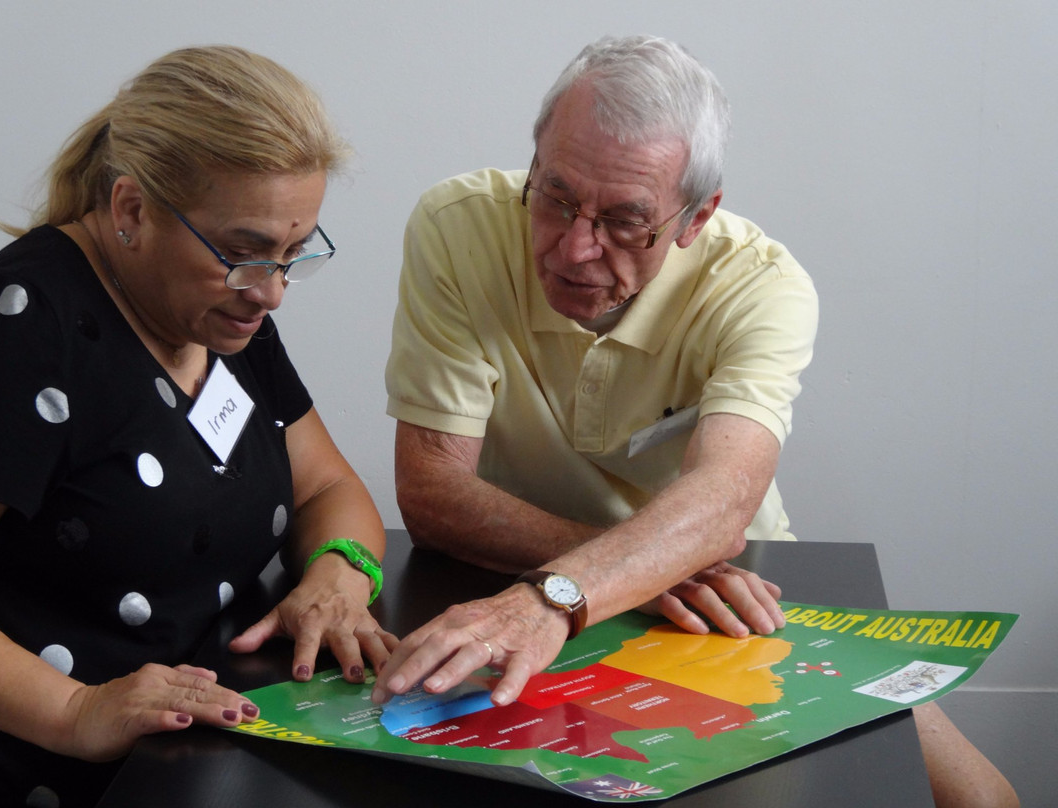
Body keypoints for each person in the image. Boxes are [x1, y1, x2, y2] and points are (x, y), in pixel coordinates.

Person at [375, 35, 1017, 808]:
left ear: (696, 215)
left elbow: (723, 502)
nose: (576, 248)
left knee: (978, 798)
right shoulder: (456, 225)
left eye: (625, 221)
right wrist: (619, 577)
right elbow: (434, 491)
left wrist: (572, 592)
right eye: (553, 196)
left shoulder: (763, 286)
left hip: (720, 591)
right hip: (569, 575)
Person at [0, 46, 396, 806]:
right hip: (48, 774)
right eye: (243, 254)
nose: (271, 293)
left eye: (293, 255)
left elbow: (327, 485)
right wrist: (76, 710)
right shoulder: (21, 330)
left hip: (204, 750)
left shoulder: (216, 311)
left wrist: (339, 573)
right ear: (131, 209)